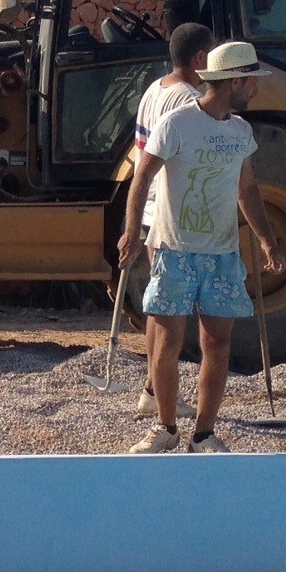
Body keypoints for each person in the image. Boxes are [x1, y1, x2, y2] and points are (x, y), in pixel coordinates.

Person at [116, 42, 283, 453]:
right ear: (235, 81)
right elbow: (142, 178)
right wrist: (133, 230)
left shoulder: (241, 131)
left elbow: (247, 188)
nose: (256, 91)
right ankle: (166, 427)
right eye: (252, 82)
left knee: (218, 344)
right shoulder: (177, 123)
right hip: (174, 250)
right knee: (170, 343)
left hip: (222, 256)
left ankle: (204, 433)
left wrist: (267, 239)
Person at [121, 22, 215, 414]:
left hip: (149, 212)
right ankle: (162, 397)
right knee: (171, 314)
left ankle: (150, 390)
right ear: (199, 59)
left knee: (158, 308)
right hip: (171, 214)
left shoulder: (153, 90)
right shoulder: (190, 100)